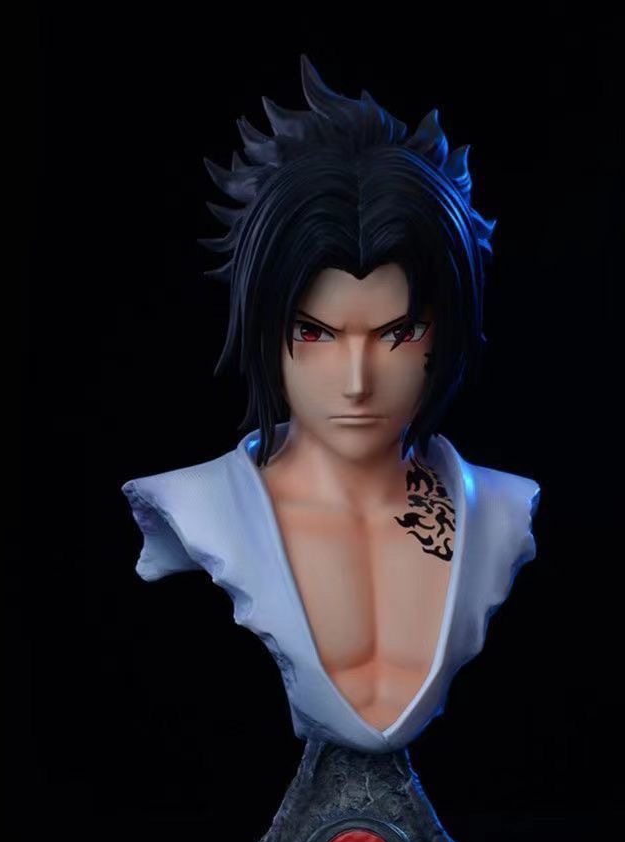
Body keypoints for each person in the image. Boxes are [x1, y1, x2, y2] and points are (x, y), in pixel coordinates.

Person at [121, 53, 540, 754]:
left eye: (397, 334)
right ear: (264, 329)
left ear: (447, 329)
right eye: (314, 333)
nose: (355, 381)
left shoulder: (501, 510)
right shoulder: (199, 508)